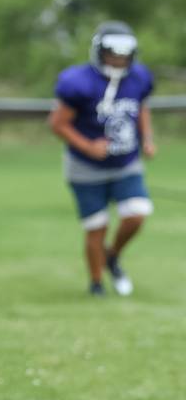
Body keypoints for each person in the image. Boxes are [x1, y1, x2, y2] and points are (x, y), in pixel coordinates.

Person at [49, 21, 155, 297]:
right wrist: (88, 146)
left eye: (124, 55)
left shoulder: (139, 77)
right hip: (85, 168)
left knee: (137, 213)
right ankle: (96, 284)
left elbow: (141, 108)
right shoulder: (77, 82)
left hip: (125, 163)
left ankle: (113, 256)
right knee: (96, 226)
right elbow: (58, 123)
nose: (118, 60)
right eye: (112, 54)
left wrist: (148, 139)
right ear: (99, 52)